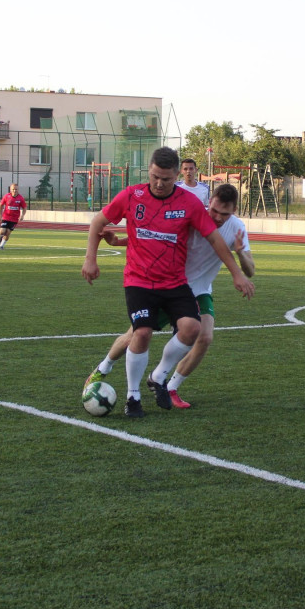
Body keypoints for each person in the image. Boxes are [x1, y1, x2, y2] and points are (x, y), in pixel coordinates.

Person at [81, 147, 255, 418]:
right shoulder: (142, 198)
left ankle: (167, 383)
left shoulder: (204, 213)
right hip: (153, 280)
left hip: (186, 286)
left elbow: (221, 246)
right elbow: (150, 233)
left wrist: (239, 265)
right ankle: (104, 369)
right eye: (154, 177)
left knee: (202, 334)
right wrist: (104, 250)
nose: (159, 183)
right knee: (136, 335)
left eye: (166, 179)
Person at [0, 184, 28, 248]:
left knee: (8, 232)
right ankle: (0, 238)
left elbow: (24, 207)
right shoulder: (6, 196)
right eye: (13, 189)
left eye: (16, 189)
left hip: (14, 219)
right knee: (2, 231)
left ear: (18, 190)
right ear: (10, 190)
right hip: (6, 217)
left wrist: (22, 215)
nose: (14, 191)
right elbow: (1, 205)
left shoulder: (20, 198)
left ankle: (1, 245)